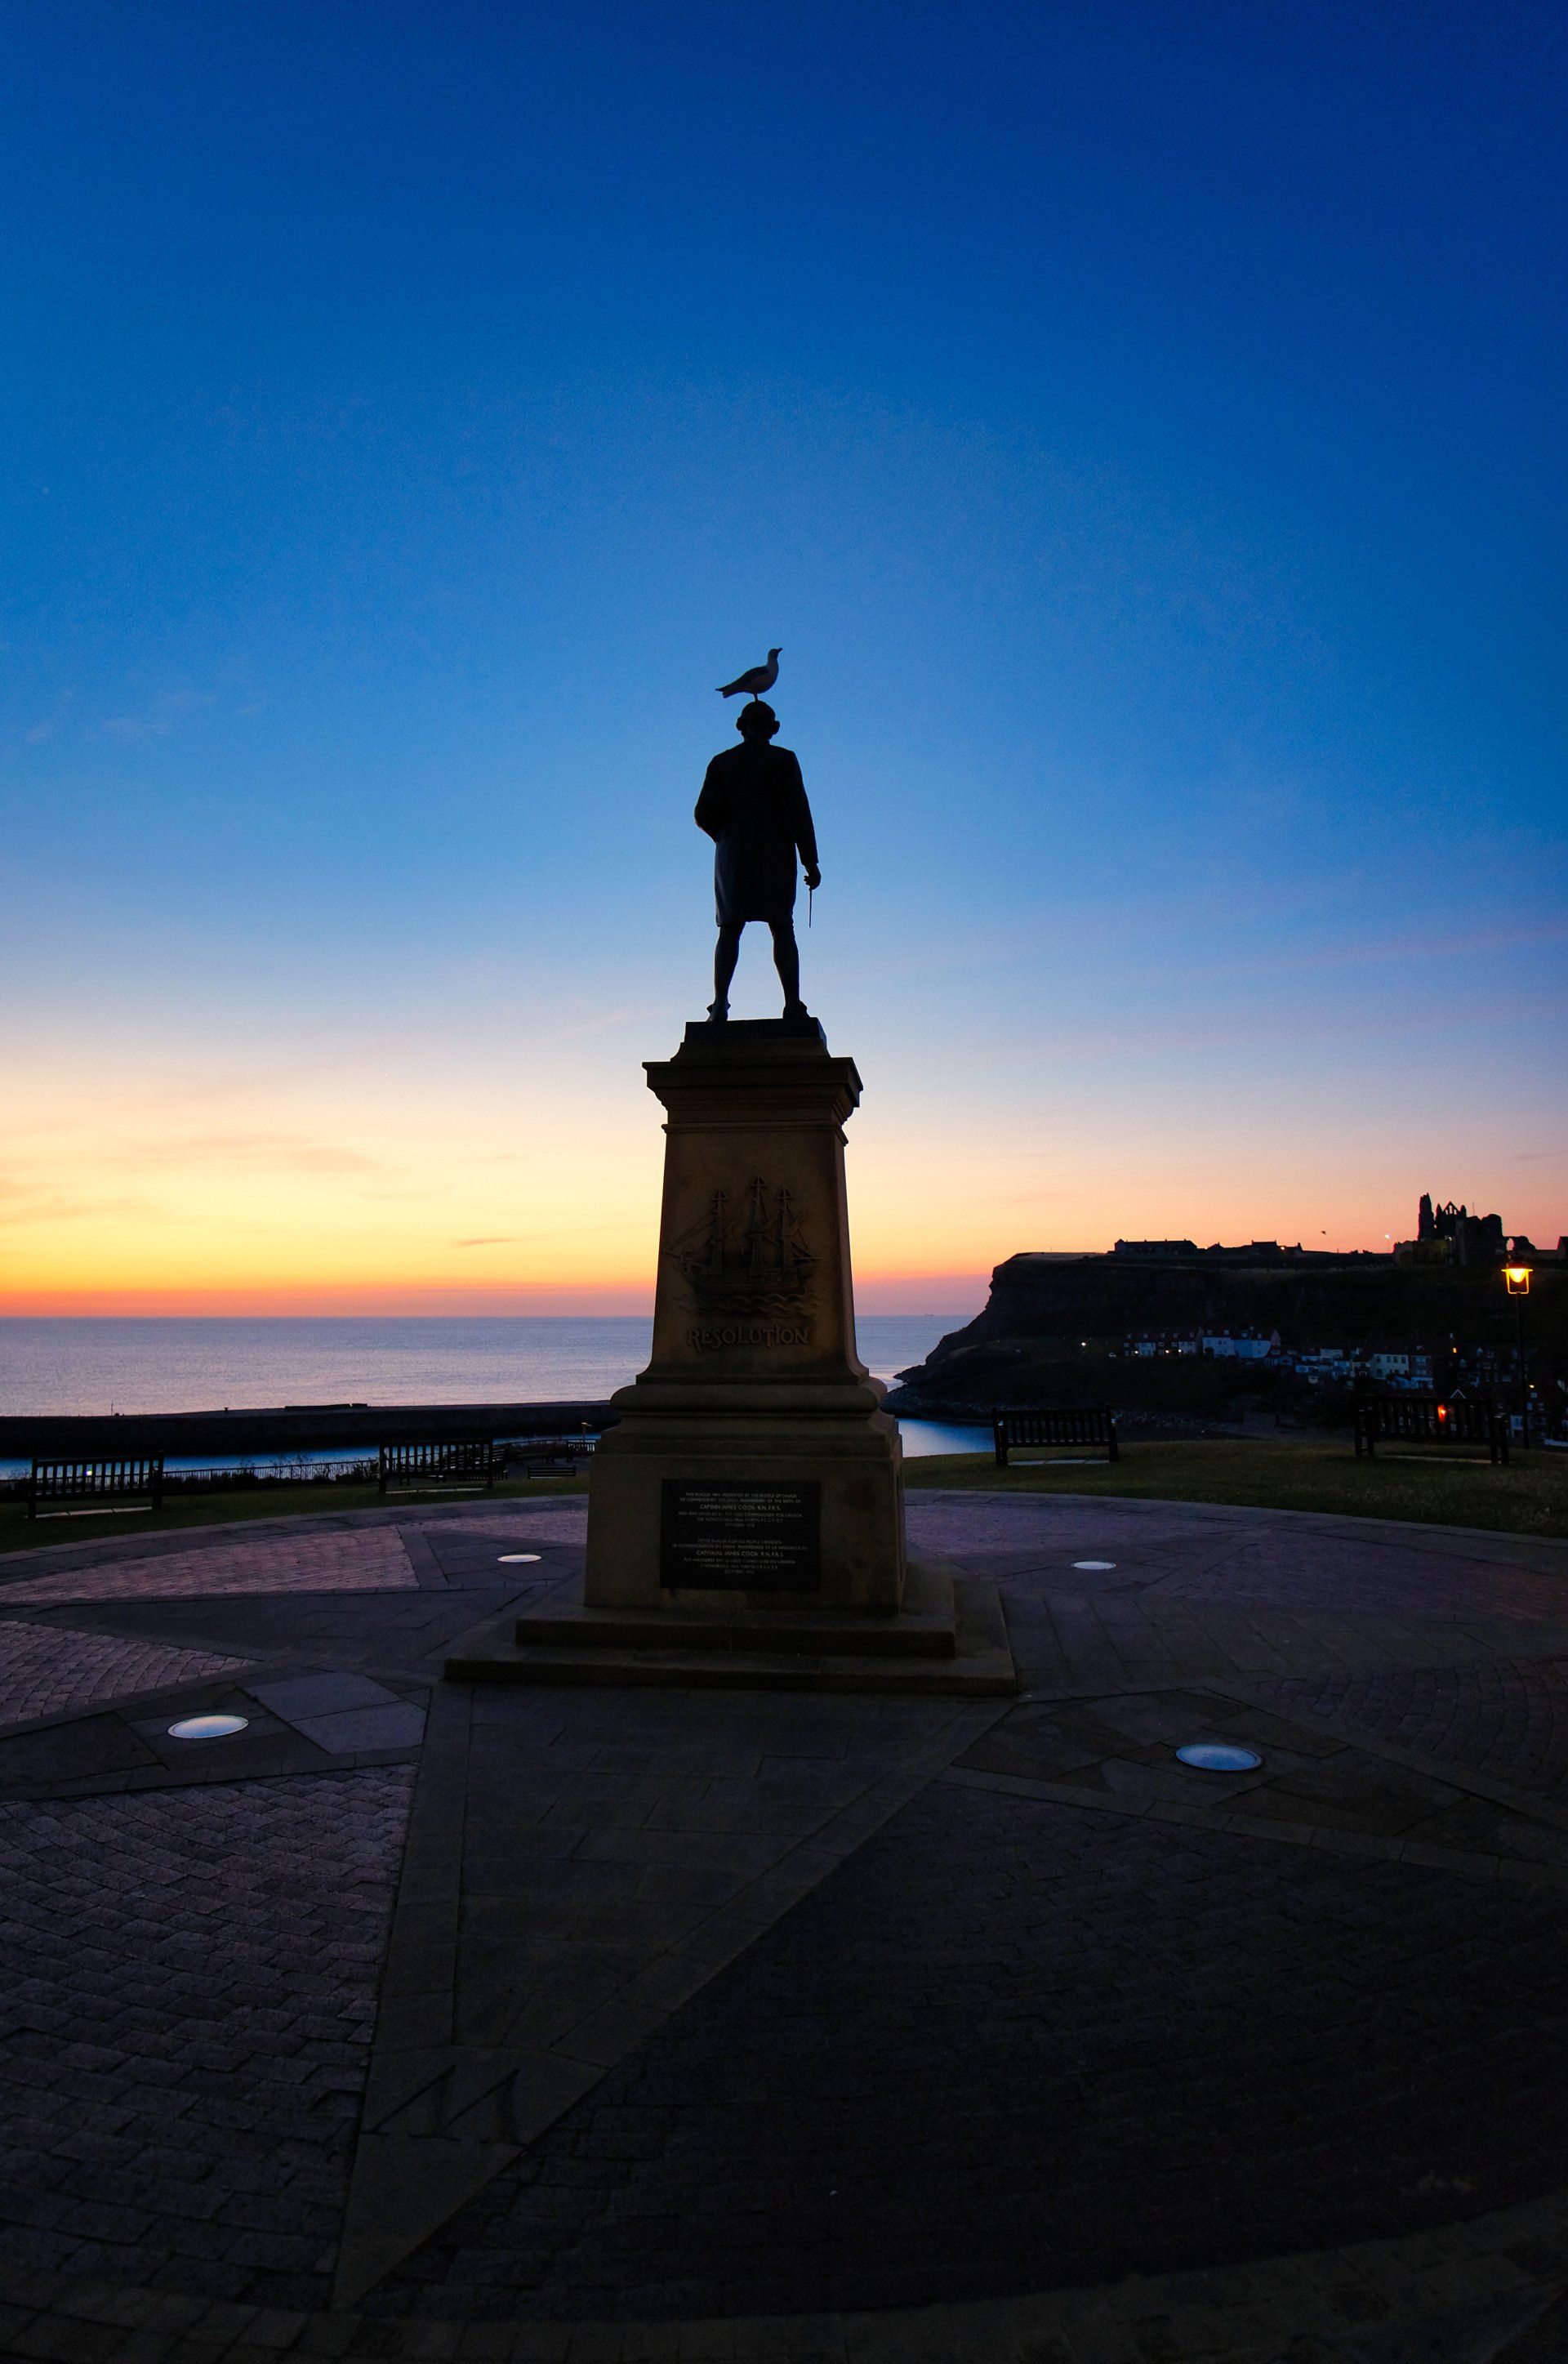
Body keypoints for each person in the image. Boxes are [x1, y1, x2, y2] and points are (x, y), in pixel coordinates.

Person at [694, 699, 821, 1022]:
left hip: (734, 853)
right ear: (770, 729)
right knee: (780, 928)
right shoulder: (784, 760)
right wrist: (810, 861)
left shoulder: (723, 762)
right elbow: (800, 813)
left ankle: (721, 1003)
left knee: (731, 929)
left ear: (743, 727)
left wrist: (725, 836)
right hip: (775, 852)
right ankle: (791, 1005)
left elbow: (703, 814)